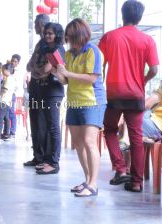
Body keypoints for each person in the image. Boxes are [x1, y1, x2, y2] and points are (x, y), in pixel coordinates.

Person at [99, 0, 159, 192]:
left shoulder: (109, 37)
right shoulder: (147, 40)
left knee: (109, 129)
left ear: (122, 15)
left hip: (115, 92)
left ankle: (120, 168)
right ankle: (136, 182)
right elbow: (155, 69)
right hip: (136, 93)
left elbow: (98, 65)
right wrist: (143, 80)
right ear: (139, 17)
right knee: (136, 137)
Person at [56, 18, 106, 197]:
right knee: (77, 143)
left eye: (70, 37)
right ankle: (87, 180)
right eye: (67, 37)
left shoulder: (93, 51)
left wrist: (67, 73)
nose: (68, 41)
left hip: (92, 101)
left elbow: (91, 78)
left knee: (89, 142)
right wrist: (58, 73)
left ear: (80, 35)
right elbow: (66, 81)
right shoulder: (69, 54)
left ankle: (93, 184)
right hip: (74, 101)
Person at [34, 22, 65, 175]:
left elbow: (45, 70)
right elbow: (33, 68)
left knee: (53, 127)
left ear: (57, 34)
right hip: (45, 90)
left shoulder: (58, 48)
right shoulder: (46, 48)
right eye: (46, 33)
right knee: (47, 126)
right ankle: (47, 160)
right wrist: (39, 71)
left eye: (50, 33)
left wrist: (39, 71)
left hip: (54, 92)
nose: (47, 35)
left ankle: (54, 162)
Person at [23, 14, 51, 167]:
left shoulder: (50, 44)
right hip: (35, 85)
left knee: (44, 122)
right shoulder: (39, 44)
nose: (34, 26)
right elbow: (29, 65)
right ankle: (37, 156)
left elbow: (45, 69)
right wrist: (36, 69)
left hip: (45, 87)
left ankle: (45, 158)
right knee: (34, 121)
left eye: (35, 23)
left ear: (41, 24)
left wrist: (36, 69)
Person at [0, 63, 16, 141]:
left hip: (3, 101)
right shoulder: (11, 78)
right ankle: (6, 134)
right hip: (7, 101)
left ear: (8, 70)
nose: (2, 71)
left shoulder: (8, 79)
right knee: (6, 118)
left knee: (0, 118)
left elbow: (5, 89)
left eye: (3, 70)